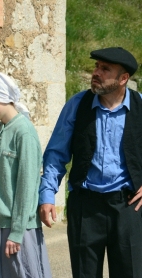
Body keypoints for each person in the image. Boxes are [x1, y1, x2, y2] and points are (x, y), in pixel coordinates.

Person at [39, 47, 142, 278]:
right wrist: (47, 196)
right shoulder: (77, 105)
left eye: (105, 69)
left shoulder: (140, 107)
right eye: (96, 66)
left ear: (123, 78)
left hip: (128, 207)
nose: (96, 72)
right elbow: (56, 154)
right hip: (85, 207)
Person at [0, 72, 52, 278]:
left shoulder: (24, 133)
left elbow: (27, 187)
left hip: (17, 226)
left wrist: (17, 233)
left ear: (3, 98)